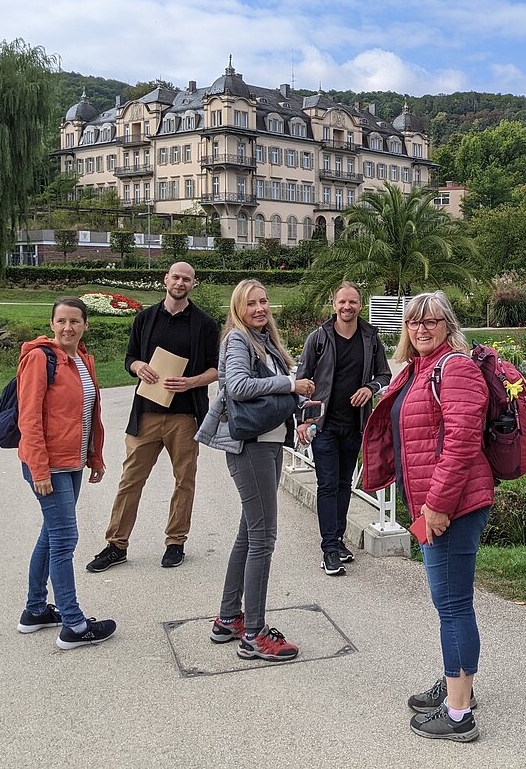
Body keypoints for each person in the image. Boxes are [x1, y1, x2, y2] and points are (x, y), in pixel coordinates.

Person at [361, 292, 492, 743]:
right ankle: (458, 686)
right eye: (413, 322)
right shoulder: (420, 368)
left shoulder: (454, 367)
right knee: (448, 603)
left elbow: (461, 442)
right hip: (433, 507)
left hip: (451, 507)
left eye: (430, 321)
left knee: (453, 605)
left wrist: (436, 505)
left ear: (447, 324)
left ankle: (459, 716)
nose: (421, 329)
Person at [200, 279, 314, 661]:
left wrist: (297, 407)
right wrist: (290, 383)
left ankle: (229, 618)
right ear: (238, 308)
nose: (260, 308)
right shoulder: (237, 340)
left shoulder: (265, 343)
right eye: (251, 303)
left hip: (266, 445)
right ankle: (254, 634)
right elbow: (236, 385)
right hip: (251, 448)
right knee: (263, 538)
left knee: (249, 536)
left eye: (264, 301)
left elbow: (273, 395)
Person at [87, 262, 219, 572]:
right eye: (176, 277)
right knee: (130, 480)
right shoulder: (145, 318)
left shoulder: (205, 324)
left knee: (184, 481)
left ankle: (175, 542)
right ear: (166, 279)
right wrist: (138, 367)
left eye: (187, 278)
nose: (180, 282)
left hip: (185, 416)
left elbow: (215, 370)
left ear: (193, 284)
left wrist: (190, 382)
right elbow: (129, 358)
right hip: (146, 413)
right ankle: (116, 545)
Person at [16, 297, 117, 650]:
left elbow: (89, 414)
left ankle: (34, 611)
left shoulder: (83, 359)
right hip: (49, 467)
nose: (68, 328)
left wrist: (95, 457)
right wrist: (40, 469)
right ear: (52, 324)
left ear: (85, 325)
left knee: (51, 535)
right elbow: (28, 419)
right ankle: (73, 625)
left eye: (75, 321)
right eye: (61, 321)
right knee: (63, 541)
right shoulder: (39, 359)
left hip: (71, 463)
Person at [296, 283, 392, 577]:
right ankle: (329, 550)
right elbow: (301, 381)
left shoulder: (370, 338)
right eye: (342, 302)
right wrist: (302, 419)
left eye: (352, 302)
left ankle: (337, 541)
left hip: (355, 424)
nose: (347, 307)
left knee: (342, 485)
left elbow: (384, 374)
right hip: (324, 426)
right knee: (327, 485)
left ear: (360, 305)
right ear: (334, 304)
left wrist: (370, 388)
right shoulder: (319, 338)